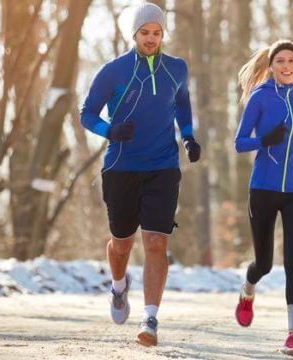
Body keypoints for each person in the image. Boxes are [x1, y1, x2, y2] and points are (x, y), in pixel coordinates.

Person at [79, 2, 201, 347]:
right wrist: (110, 131)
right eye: (146, 33)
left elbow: (182, 102)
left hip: (162, 166)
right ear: (134, 34)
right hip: (121, 167)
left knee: (157, 242)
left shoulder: (176, 68)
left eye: (157, 33)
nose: (151, 38)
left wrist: (188, 136)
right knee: (121, 244)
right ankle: (119, 288)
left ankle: (150, 319)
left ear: (164, 34)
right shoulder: (114, 71)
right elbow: (86, 113)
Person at [233, 39, 293, 358]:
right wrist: (264, 140)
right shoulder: (259, 98)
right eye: (281, 61)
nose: (287, 66)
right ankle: (247, 290)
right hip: (263, 189)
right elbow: (239, 143)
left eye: (292, 61)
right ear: (271, 66)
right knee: (265, 264)